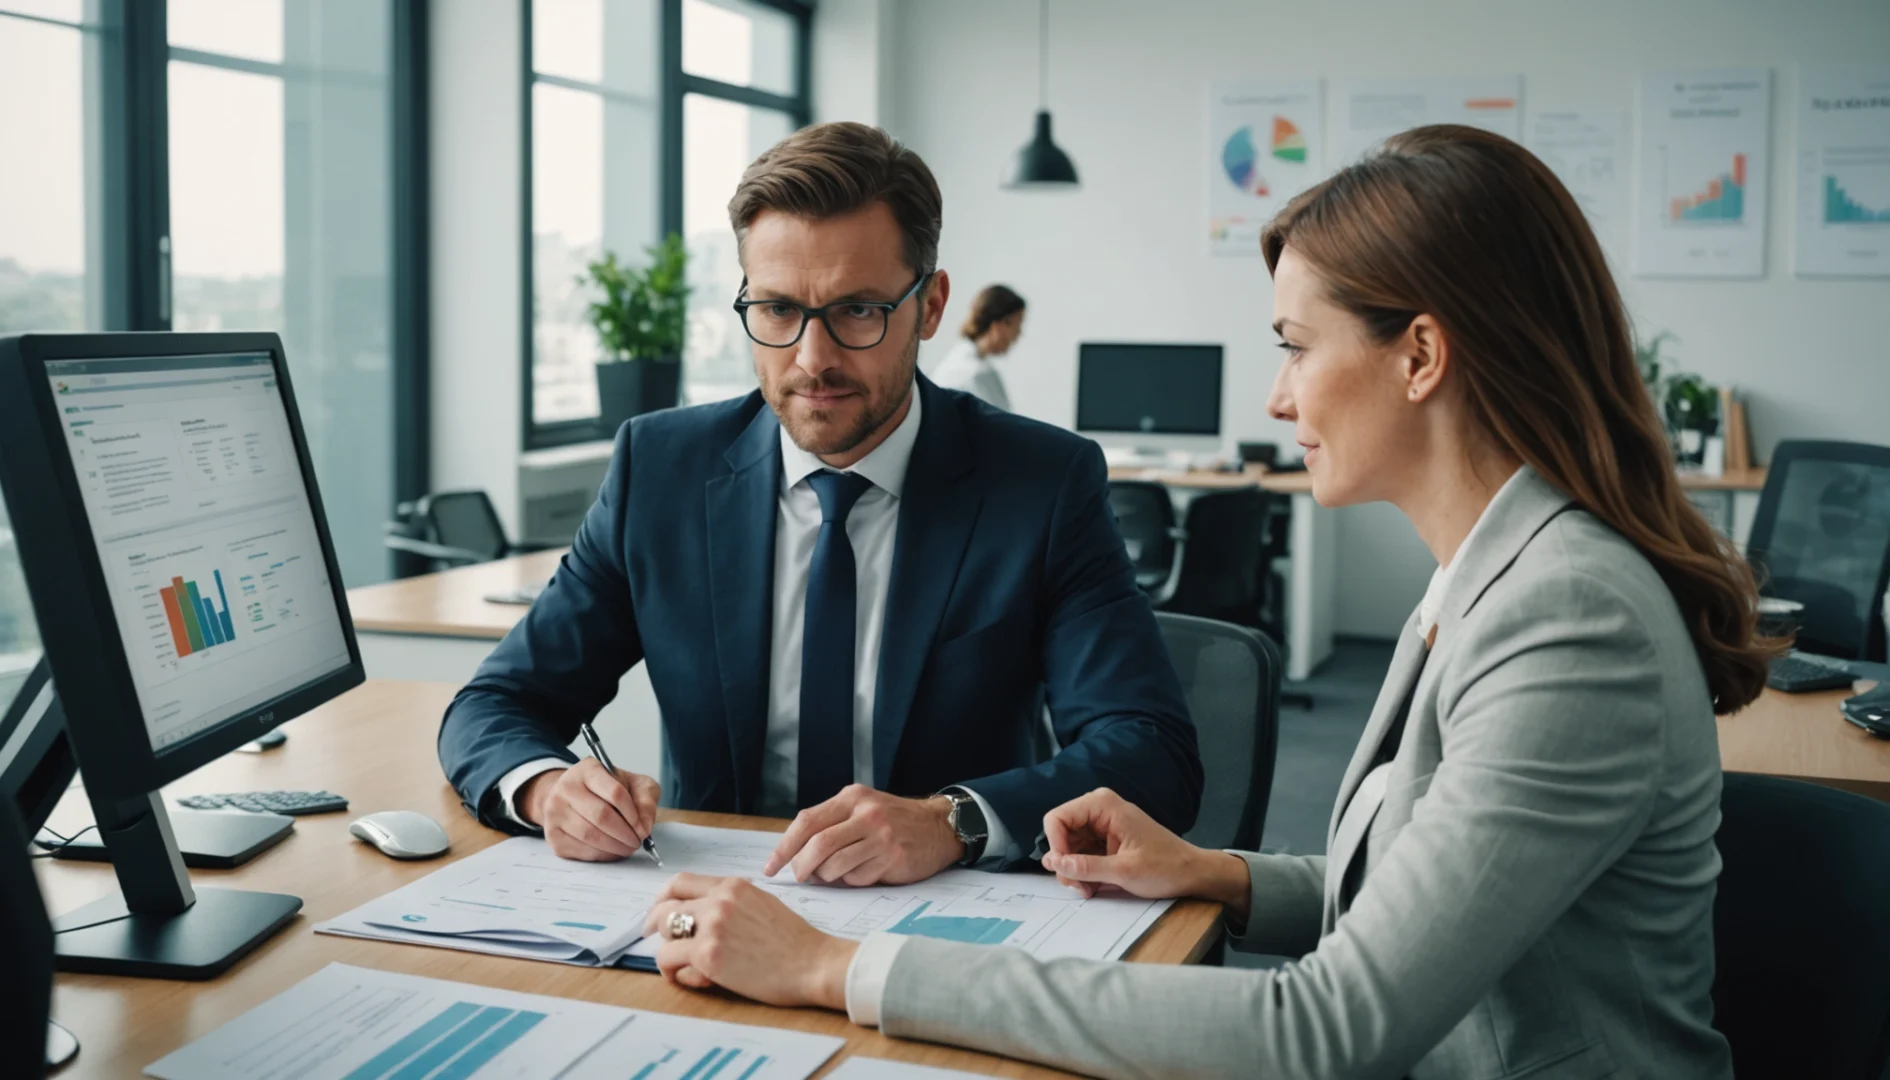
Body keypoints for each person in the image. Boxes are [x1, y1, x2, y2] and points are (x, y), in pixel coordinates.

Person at [630, 125, 1780, 1078]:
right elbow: (1429, 897)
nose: (1278, 397)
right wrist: (1215, 875)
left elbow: (1324, 1030)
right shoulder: (1495, 574)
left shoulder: (1567, 619)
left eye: (1295, 345)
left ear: (1420, 355)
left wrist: (834, 968)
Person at [438, 122, 1202, 887]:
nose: (813, 360)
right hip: (714, 911)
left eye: (858, 311)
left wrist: (953, 821)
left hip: (940, 924)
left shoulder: (1041, 482)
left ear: (930, 306)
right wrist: (545, 788)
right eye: (776, 311)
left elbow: (1149, 749)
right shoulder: (661, 470)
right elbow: (498, 702)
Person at [930, 285, 1025, 410]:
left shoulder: (954, 361)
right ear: (999, 325)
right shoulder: (978, 373)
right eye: (1017, 325)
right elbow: (1005, 427)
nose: (1019, 334)